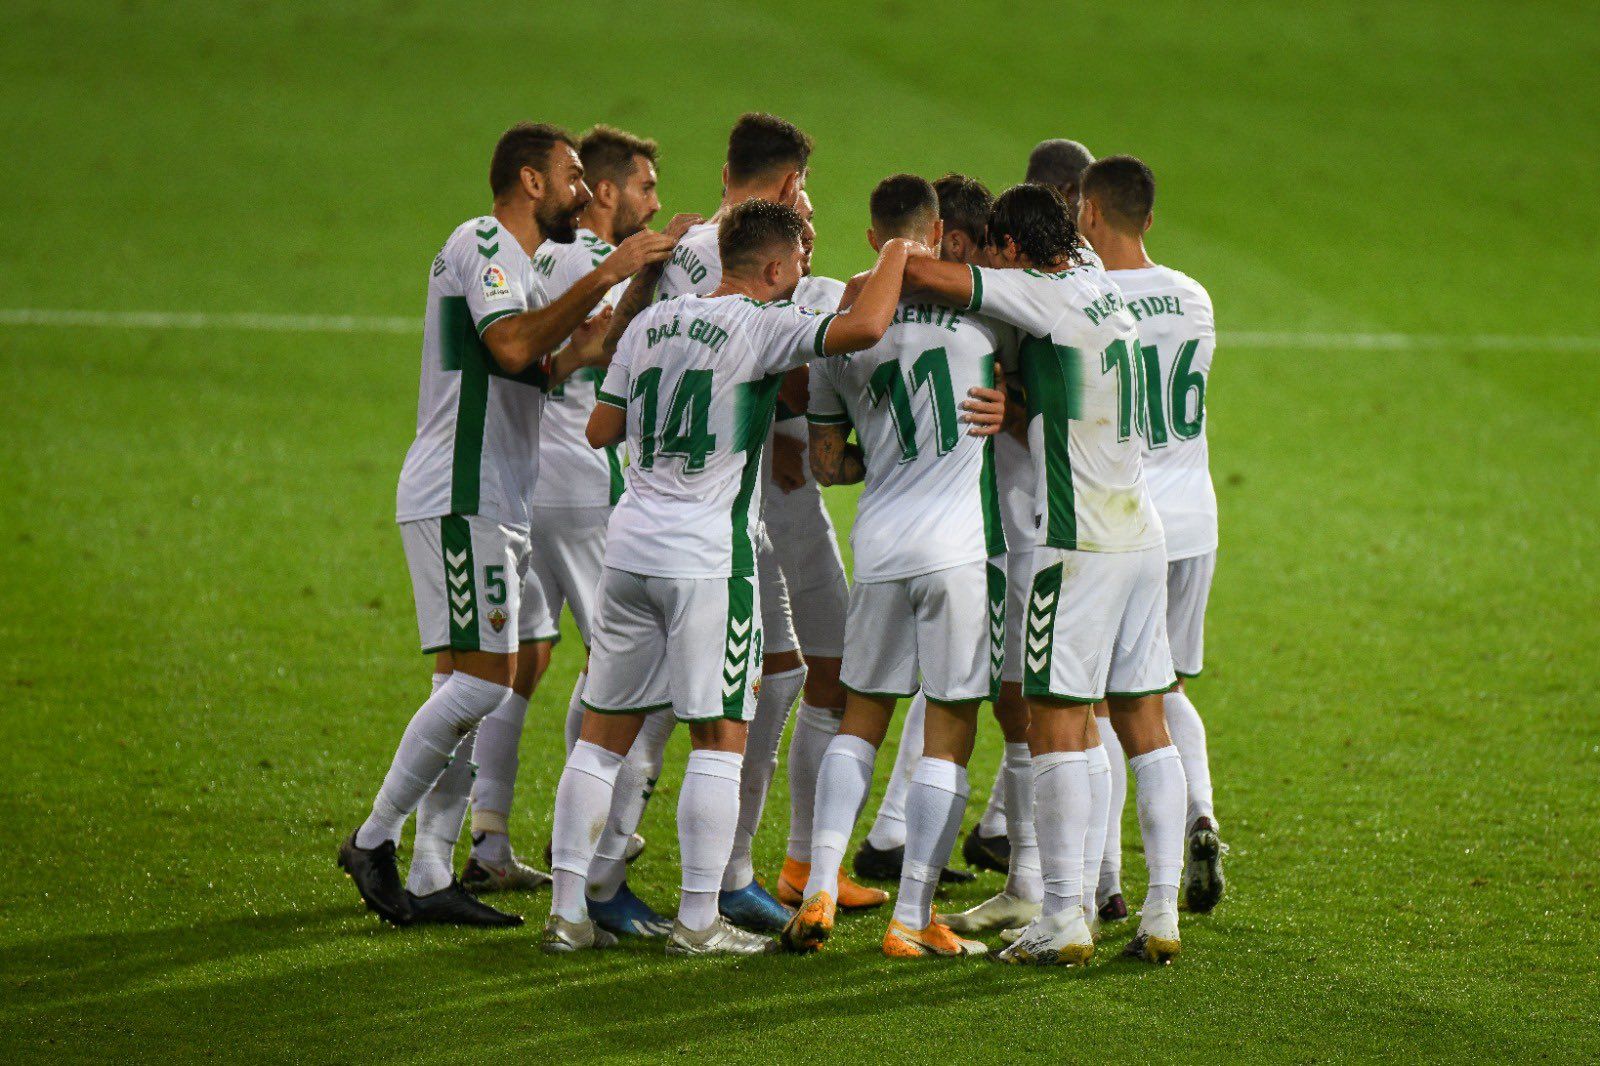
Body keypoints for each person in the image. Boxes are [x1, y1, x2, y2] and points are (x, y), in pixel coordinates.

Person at [543, 199, 925, 955]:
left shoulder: (653, 321)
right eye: (798, 266)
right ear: (775, 268)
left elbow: (600, 428)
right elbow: (864, 327)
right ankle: (695, 922)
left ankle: (566, 915)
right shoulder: (762, 325)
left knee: (600, 739)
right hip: (708, 561)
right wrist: (901, 253)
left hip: (627, 555)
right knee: (720, 738)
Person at [337, 122, 679, 927]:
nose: (583, 191)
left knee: (466, 687)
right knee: (484, 682)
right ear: (530, 181)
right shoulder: (483, 239)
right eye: (570, 176)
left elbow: (555, 362)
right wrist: (609, 270)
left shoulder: (523, 265)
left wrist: (622, 301)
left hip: (497, 497)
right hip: (463, 492)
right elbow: (515, 346)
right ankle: (375, 838)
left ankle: (428, 870)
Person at [890, 183, 1189, 966]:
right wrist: (1019, 407)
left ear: (1013, 251)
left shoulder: (1037, 292)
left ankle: (1064, 913)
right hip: (1141, 534)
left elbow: (932, 281)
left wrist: (901, 249)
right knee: (1146, 725)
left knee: (1055, 723)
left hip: (1075, 541)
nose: (986, 257)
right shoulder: (1100, 287)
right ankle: (1160, 912)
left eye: (992, 245)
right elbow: (1070, 392)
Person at [780, 175, 1008, 958]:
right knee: (947, 735)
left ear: (874, 239)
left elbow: (828, 464)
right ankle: (912, 918)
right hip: (957, 554)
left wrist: (881, 454)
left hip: (879, 550)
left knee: (861, 723)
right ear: (941, 232)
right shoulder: (985, 324)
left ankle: (817, 889)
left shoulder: (844, 333)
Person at [460, 123, 667, 895]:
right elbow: (617, 350)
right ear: (606, 191)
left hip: (525, 482)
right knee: (623, 655)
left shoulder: (536, 255)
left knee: (523, 659)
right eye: (645, 187)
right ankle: (593, 830)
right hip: (583, 482)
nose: (653, 202)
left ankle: (488, 835)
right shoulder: (594, 262)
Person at [1078, 155, 1225, 912]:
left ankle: (1104, 882)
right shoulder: (1193, 296)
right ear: (1151, 217)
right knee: (1162, 689)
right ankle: (1202, 813)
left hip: (1128, 518)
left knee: (1104, 703)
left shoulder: (1093, 299)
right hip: (1197, 516)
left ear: (1092, 213)